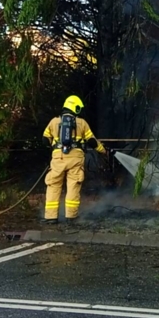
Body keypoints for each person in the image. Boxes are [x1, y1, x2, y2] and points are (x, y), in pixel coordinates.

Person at [41, 96, 111, 224]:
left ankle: (51, 217)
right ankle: (71, 217)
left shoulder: (54, 121)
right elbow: (92, 142)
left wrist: (55, 150)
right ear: (76, 107)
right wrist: (103, 150)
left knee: (53, 186)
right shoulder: (82, 123)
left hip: (58, 158)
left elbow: (45, 139)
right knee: (73, 186)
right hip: (76, 158)